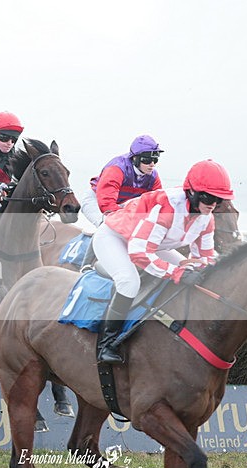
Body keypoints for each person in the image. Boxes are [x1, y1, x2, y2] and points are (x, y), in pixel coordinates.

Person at [92, 159, 234, 365]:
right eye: (208, 196)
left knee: (189, 269)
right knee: (129, 282)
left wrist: (205, 273)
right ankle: (106, 344)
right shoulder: (166, 207)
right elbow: (139, 253)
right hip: (115, 238)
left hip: (152, 244)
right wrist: (177, 273)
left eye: (218, 199)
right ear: (191, 192)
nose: (213, 203)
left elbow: (206, 258)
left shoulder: (207, 218)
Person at [81, 135, 164, 227]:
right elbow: (106, 204)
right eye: (147, 160)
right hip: (97, 201)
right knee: (108, 226)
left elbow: (158, 204)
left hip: (122, 204)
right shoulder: (116, 169)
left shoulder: (153, 176)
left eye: (155, 160)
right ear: (135, 158)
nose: (152, 164)